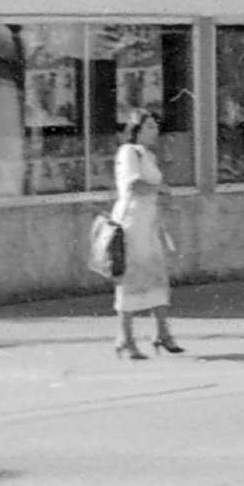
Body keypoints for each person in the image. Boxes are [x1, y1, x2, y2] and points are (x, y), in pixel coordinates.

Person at [106, 109, 181, 360]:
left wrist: (160, 194)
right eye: (148, 126)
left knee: (157, 276)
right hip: (132, 223)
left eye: (155, 126)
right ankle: (125, 338)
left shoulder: (148, 155)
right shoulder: (129, 152)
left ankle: (162, 332)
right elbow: (133, 185)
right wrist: (159, 188)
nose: (154, 131)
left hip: (149, 222)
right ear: (136, 129)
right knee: (132, 278)